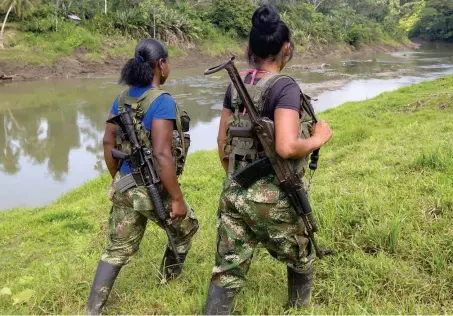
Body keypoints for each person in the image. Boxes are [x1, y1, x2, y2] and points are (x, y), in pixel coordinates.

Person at [203, 5, 333, 315]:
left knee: (227, 269)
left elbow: (222, 142)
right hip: (275, 196)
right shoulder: (285, 87)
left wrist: (236, 179)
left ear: (249, 48)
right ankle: (297, 308)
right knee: (302, 252)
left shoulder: (236, 86)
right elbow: (287, 147)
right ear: (286, 48)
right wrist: (319, 137)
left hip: (233, 191)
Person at [87, 38, 199, 315]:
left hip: (124, 184)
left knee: (117, 248)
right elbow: (162, 155)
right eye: (168, 61)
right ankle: (168, 282)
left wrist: (118, 177)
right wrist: (177, 199)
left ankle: (93, 309)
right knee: (186, 228)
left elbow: (107, 143)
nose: (169, 66)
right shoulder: (161, 101)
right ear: (160, 65)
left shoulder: (122, 98)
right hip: (148, 187)